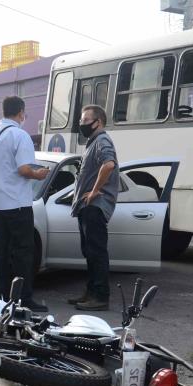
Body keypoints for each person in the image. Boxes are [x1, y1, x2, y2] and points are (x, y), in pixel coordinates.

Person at [0, 96, 50, 312]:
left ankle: (0, 298)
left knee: (1, 251)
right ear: (21, 112)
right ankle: (23, 299)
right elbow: (24, 169)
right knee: (22, 253)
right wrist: (39, 175)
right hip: (16, 203)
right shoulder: (19, 135)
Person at [69, 105, 120, 311]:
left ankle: (100, 297)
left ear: (98, 122)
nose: (82, 124)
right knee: (89, 252)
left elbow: (109, 165)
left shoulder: (102, 140)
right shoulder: (92, 143)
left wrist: (94, 191)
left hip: (95, 206)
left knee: (96, 252)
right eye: (81, 120)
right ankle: (90, 293)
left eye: (85, 120)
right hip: (87, 207)